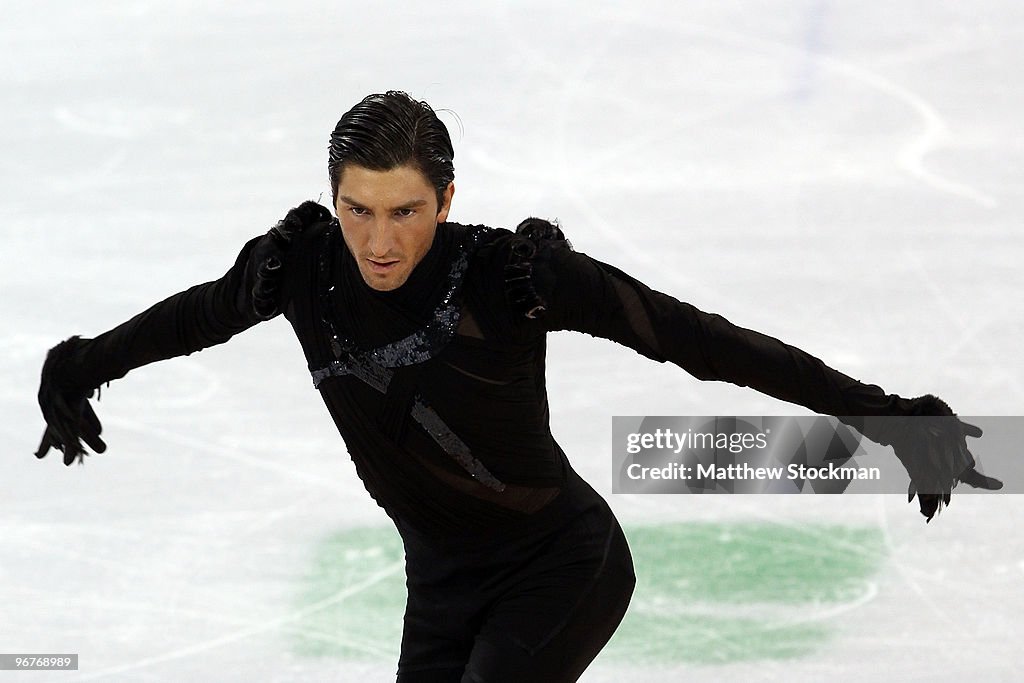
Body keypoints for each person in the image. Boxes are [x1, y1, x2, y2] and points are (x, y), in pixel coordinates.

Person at [34, 90, 1001, 682]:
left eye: (405, 210)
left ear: (447, 199)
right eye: (357, 209)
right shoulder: (300, 270)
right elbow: (186, 318)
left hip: (560, 564)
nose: (378, 240)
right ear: (333, 197)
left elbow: (703, 342)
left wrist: (889, 417)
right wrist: (79, 364)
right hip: (440, 581)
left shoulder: (509, 278)